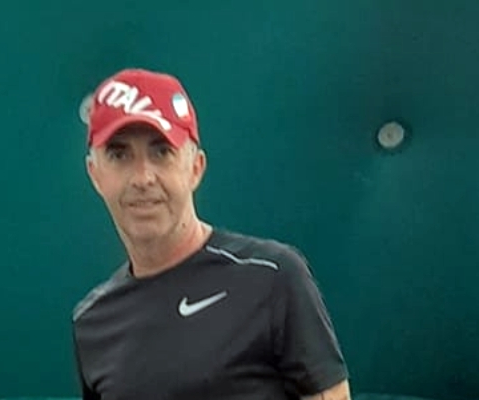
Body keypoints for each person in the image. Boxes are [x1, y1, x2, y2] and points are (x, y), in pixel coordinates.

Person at [71, 67, 351, 400]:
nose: (143, 178)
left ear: (195, 168)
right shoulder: (91, 321)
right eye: (119, 155)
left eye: (162, 152)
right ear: (95, 174)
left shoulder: (271, 277)